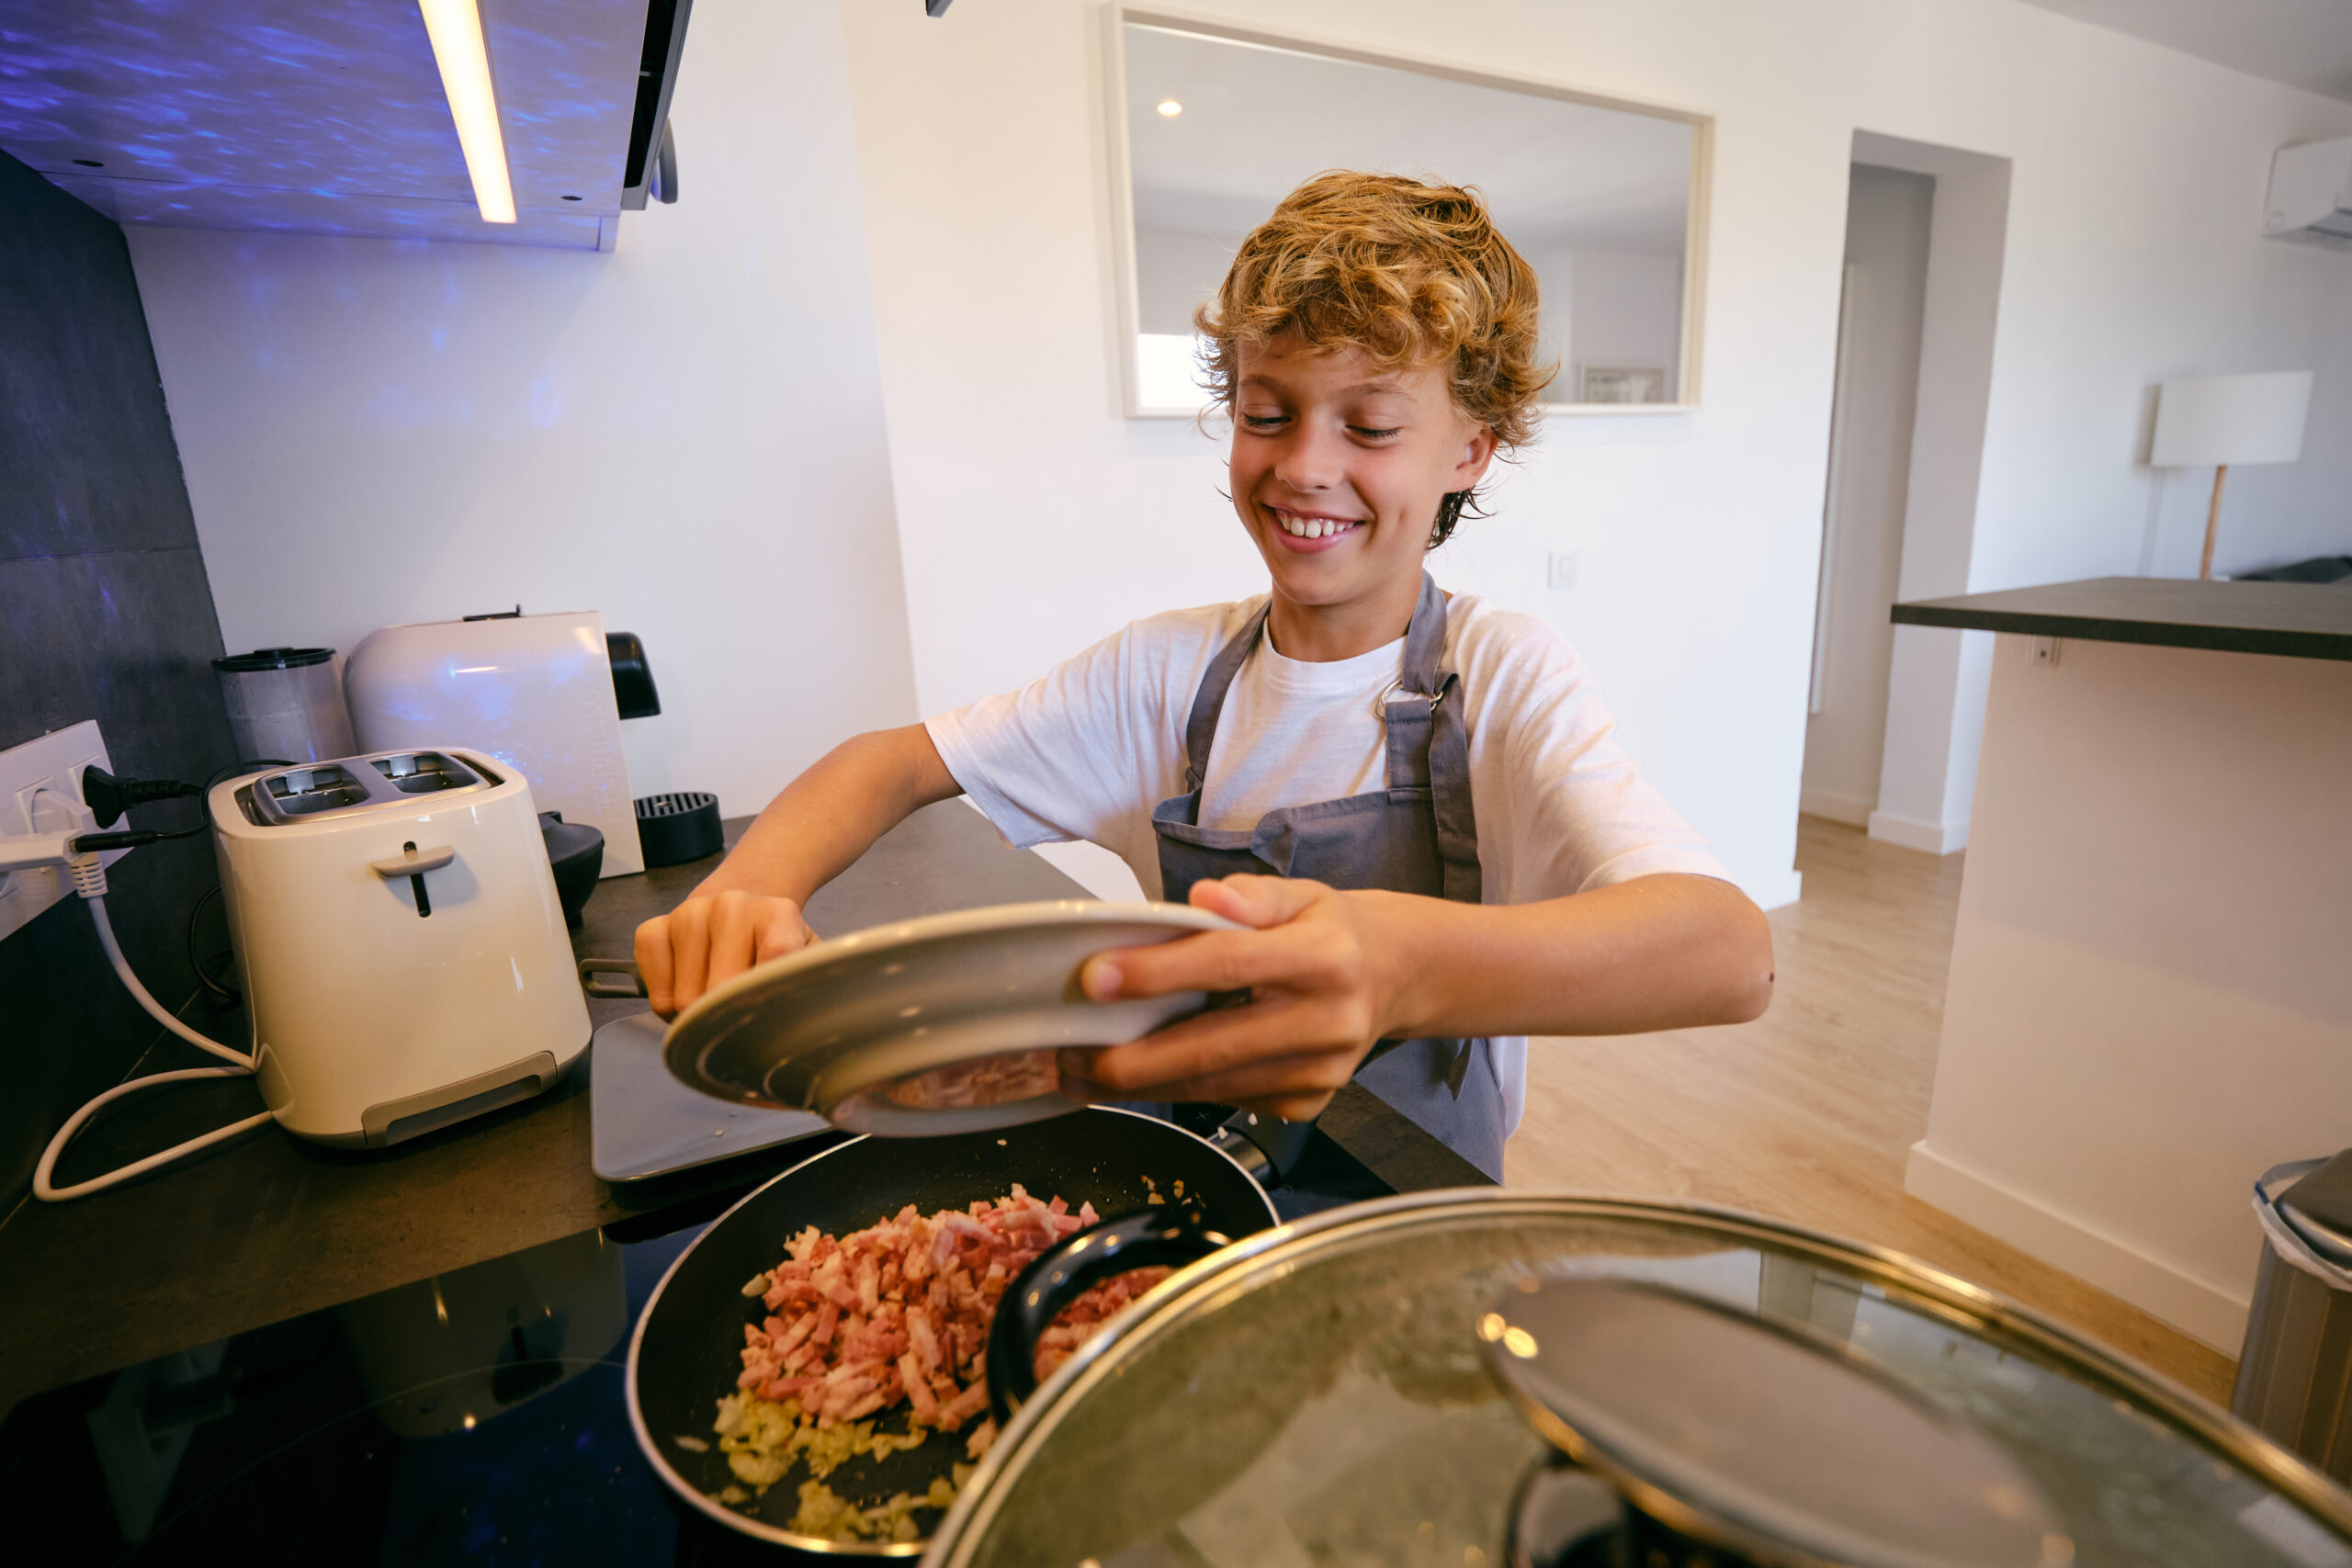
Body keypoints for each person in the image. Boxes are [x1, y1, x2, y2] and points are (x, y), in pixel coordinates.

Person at [635, 171, 1773, 1180]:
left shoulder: (1500, 674)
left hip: (1406, 1208)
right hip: (1187, 1189)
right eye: (1266, 413)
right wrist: (749, 893)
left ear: (1468, 449)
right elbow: (887, 764)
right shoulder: (1167, 675)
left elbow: (1726, 954)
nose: (1303, 467)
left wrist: (1405, 966)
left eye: (1370, 426)